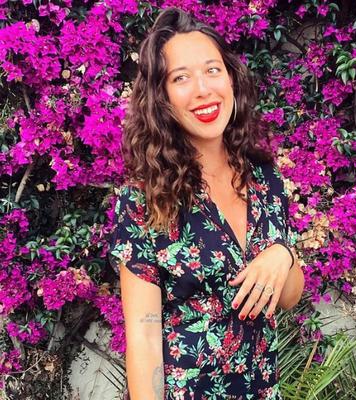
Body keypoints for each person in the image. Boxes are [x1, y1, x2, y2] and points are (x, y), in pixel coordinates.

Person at [109, 7, 305, 400]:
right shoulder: (146, 198)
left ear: (231, 78)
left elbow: (287, 298)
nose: (202, 89)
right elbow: (144, 339)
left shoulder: (264, 177)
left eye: (212, 70)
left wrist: (283, 254)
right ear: (162, 98)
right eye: (180, 78)